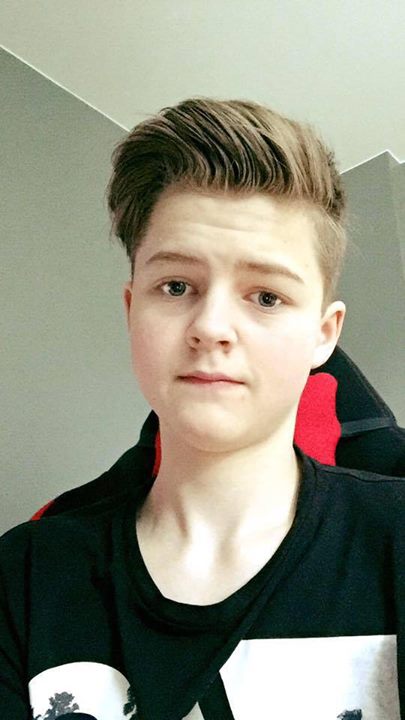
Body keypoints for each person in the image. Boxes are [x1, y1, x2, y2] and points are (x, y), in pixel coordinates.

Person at [1, 97, 404, 720]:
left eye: (266, 296)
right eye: (176, 286)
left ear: (324, 335)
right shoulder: (23, 577)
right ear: (132, 309)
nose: (211, 326)